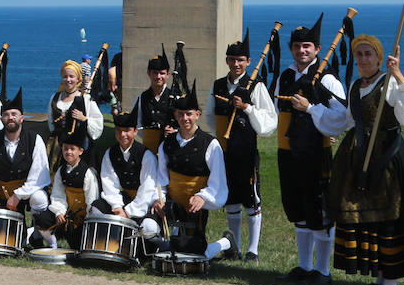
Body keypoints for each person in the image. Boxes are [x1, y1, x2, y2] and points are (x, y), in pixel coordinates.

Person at [328, 34, 404, 285]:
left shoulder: (389, 84)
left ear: (378, 57)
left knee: (389, 218)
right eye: (359, 54)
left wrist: (398, 75)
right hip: (360, 158)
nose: (363, 59)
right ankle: (379, 281)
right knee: (367, 219)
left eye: (368, 54)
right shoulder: (353, 86)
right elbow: (352, 120)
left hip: (387, 158)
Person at [274, 14, 347, 285]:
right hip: (287, 152)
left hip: (315, 154)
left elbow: (342, 117)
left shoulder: (327, 80)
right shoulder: (286, 75)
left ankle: (323, 271)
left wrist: (311, 108)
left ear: (317, 49)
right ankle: (304, 266)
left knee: (319, 211)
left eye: (307, 46)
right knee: (297, 210)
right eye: (297, 46)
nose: (301, 51)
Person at [206, 31, 277, 261]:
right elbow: (209, 116)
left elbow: (269, 120)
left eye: (240, 60)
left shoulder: (255, 86)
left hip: (246, 152)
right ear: (227, 61)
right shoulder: (217, 86)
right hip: (224, 153)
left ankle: (252, 250)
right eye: (232, 60)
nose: (236, 64)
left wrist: (247, 107)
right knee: (231, 200)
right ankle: (233, 247)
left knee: (251, 200)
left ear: (247, 61)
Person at [151, 78, 236, 261]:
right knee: (168, 249)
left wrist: (202, 197)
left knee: (195, 256)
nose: (185, 118)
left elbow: (217, 181)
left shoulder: (211, 145)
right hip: (171, 206)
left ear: (197, 114)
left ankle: (226, 242)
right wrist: (159, 199)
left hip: (196, 206)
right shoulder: (166, 144)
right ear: (175, 115)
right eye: (180, 114)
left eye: (189, 114)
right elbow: (161, 179)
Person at [0, 89, 51, 224]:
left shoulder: (35, 139)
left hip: (27, 192)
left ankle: (37, 234)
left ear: (22, 118)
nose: (10, 117)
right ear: (1, 119)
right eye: (6, 115)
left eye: (14, 114)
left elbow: (38, 176)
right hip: (0, 191)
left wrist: (18, 196)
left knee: (39, 198)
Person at [39, 134, 99, 250]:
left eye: (72, 149)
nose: (68, 152)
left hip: (83, 218)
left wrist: (87, 219)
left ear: (81, 151)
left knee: (76, 246)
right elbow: (58, 195)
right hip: (67, 214)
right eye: (65, 148)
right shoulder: (61, 171)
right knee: (42, 219)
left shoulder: (88, 173)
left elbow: (91, 200)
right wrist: (59, 212)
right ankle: (53, 245)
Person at [46, 59, 103, 172]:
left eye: (72, 76)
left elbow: (98, 122)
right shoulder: (55, 98)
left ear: (78, 79)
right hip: (58, 147)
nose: (68, 80)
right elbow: (51, 124)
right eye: (65, 76)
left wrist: (84, 119)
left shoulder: (86, 99)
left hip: (80, 145)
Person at [99, 113, 157, 218]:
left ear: (135, 131)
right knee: (96, 209)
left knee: (149, 227)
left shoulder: (146, 155)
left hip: (144, 202)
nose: (122, 134)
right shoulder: (110, 153)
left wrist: (129, 212)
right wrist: (117, 206)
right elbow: (109, 181)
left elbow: (147, 187)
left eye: (127, 130)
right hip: (123, 199)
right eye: (119, 130)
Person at [134, 46, 174, 154]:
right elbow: (138, 123)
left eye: (162, 73)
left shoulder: (175, 97)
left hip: (171, 148)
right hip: (149, 149)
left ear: (168, 75)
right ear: (149, 73)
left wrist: (174, 131)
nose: (158, 76)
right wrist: (150, 135)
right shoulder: (141, 98)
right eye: (155, 73)